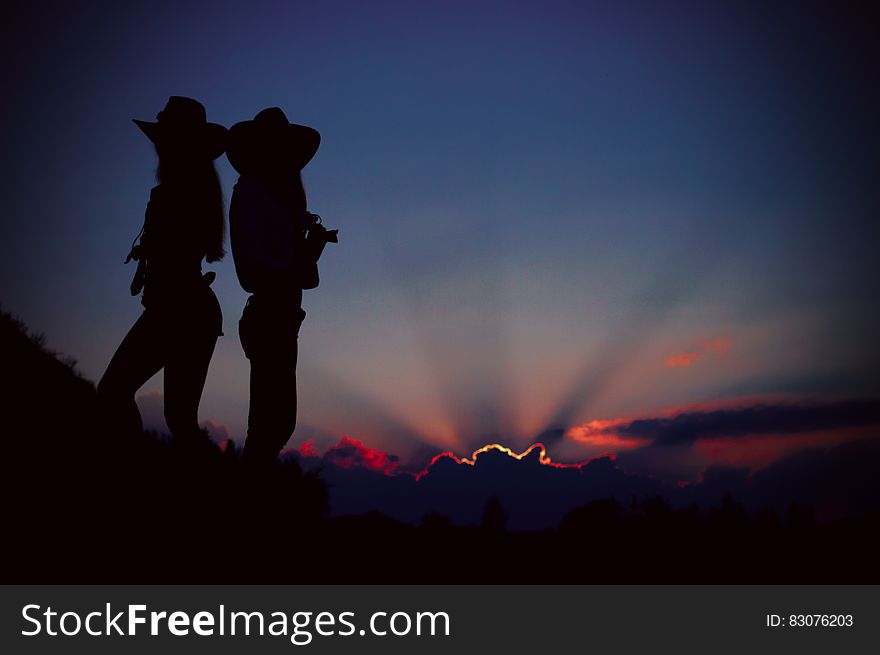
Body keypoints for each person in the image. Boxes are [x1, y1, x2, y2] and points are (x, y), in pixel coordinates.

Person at [97, 96, 227, 453]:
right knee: (179, 418)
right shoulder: (195, 189)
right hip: (192, 309)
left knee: (114, 389)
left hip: (177, 308)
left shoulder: (178, 191)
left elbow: (173, 252)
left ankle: (133, 476)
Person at [226, 107, 336, 466]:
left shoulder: (276, 200)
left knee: (277, 424)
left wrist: (309, 249)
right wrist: (301, 258)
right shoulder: (250, 192)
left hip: (283, 314)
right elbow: (253, 269)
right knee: (270, 425)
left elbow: (298, 273)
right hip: (271, 313)